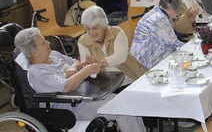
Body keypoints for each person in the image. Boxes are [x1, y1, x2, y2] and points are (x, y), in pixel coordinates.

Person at [14, 28, 146, 131]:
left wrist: (71, 71)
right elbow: (66, 87)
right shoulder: (37, 72)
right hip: (71, 108)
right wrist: (85, 71)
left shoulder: (53, 56)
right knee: (123, 110)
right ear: (34, 52)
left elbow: (76, 62)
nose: (48, 43)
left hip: (86, 96)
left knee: (128, 103)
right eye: (43, 42)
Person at [78, 6, 147, 83]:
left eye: (95, 28)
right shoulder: (83, 41)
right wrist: (90, 68)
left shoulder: (117, 32)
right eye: (88, 29)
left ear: (103, 25)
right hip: (105, 84)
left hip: (130, 78)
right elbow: (88, 68)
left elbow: (120, 57)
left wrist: (99, 63)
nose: (91, 32)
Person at [131, 0, 185, 69]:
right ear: (170, 9)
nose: (176, 16)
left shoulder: (156, 12)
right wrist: (192, 50)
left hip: (141, 54)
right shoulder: (160, 19)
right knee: (182, 61)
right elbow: (173, 44)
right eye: (177, 12)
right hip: (146, 59)